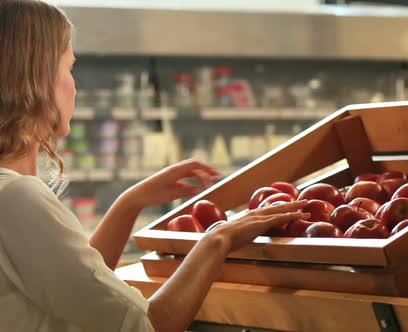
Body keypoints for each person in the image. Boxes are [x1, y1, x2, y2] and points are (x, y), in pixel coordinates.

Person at [0, 1, 310, 331]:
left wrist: (129, 204)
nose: (75, 85)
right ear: (37, 77)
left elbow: (80, 292)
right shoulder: (19, 196)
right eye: (69, 68)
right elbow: (147, 325)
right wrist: (218, 240)